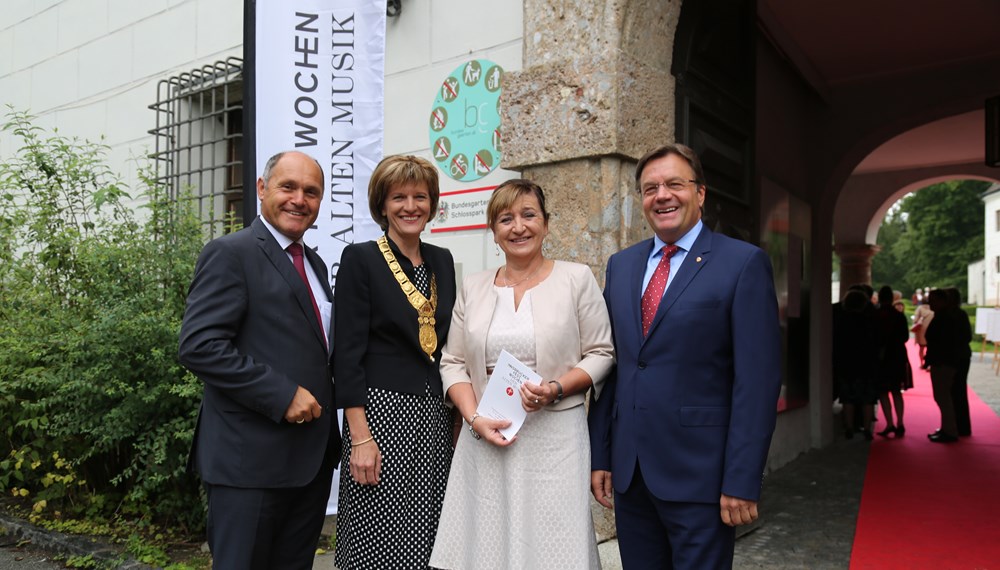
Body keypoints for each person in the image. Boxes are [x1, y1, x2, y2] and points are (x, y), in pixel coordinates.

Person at [589, 143, 782, 569]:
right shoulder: (621, 266)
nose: (662, 195)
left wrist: (742, 478)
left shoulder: (742, 263)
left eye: (675, 184)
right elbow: (612, 366)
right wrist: (601, 455)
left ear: (701, 193)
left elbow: (757, 381)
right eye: (650, 188)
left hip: (703, 479)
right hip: (632, 476)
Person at [430, 179, 614, 569]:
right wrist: (475, 419)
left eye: (529, 215)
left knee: (554, 543)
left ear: (546, 224)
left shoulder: (576, 279)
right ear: (494, 232)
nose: (518, 227)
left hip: (555, 438)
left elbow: (601, 352)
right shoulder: (474, 286)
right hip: (487, 435)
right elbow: (452, 362)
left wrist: (556, 388)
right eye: (505, 219)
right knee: (487, 544)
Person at [178, 151, 339, 569]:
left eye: (311, 191)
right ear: (262, 189)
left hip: (308, 462)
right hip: (248, 464)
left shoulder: (315, 263)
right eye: (288, 187)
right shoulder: (231, 253)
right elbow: (199, 345)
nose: (299, 199)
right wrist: (282, 393)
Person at [333, 155, 456, 570]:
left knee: (429, 531)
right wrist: (360, 437)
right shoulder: (361, 258)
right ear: (382, 205)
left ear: (432, 203)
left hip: (432, 418)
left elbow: (451, 343)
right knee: (376, 533)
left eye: (420, 197)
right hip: (379, 420)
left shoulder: (442, 260)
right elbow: (346, 354)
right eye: (398, 197)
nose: (410, 206)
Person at [923, 288, 971, 443]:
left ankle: (950, 430)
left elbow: (942, 340)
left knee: (945, 396)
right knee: (954, 394)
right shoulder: (953, 315)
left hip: (945, 361)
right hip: (953, 360)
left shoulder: (946, 317)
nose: (930, 302)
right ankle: (955, 427)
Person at [833, 289, 878, 440]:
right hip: (867, 364)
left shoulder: (841, 321)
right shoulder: (870, 321)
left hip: (846, 364)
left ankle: (849, 428)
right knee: (867, 398)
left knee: (847, 398)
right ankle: (867, 429)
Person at [873, 285, 910, 437]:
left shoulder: (875, 315)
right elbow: (905, 337)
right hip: (897, 355)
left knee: (883, 391)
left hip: (881, 357)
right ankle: (900, 422)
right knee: (896, 390)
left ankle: (889, 423)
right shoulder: (899, 316)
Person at [945, 287, 973, 437]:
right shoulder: (959, 314)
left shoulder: (955, 315)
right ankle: (961, 426)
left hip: (956, 357)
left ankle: (958, 425)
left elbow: (966, 337)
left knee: (956, 391)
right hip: (962, 356)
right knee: (958, 390)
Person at [912, 296, 934, 369]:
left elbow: (915, 320)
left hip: (921, 332)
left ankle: (922, 363)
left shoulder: (920, 308)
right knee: (930, 349)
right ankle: (930, 364)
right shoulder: (933, 308)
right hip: (931, 332)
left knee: (921, 349)